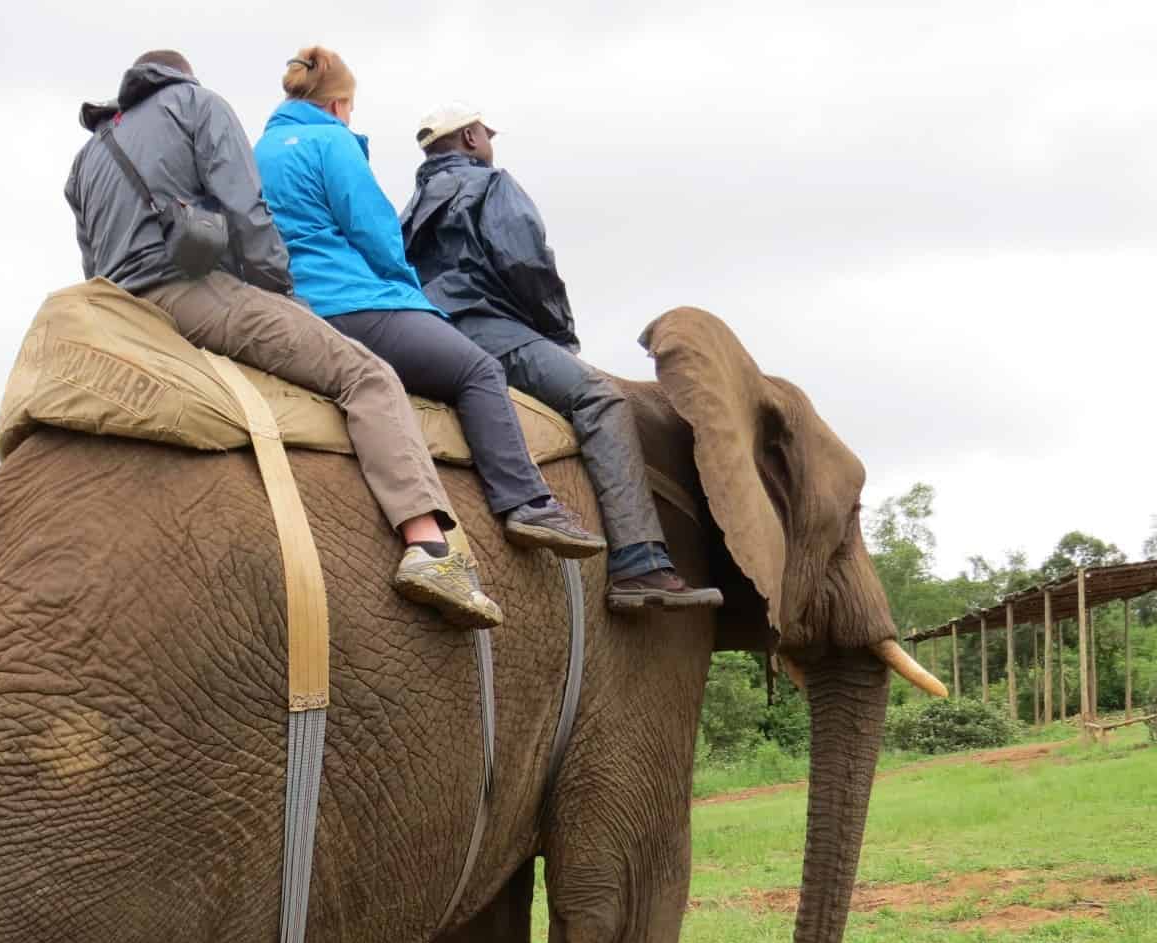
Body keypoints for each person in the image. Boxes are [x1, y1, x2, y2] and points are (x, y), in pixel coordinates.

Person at [64, 50, 502, 629]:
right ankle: (430, 548)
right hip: (192, 295)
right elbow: (246, 211)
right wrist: (279, 290)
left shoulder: (87, 156)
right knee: (366, 376)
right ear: (181, 78)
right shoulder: (197, 104)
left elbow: (92, 260)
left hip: (125, 313)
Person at [253, 47, 605, 563]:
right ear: (337, 105)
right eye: (351, 109)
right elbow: (375, 235)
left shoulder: (258, 150)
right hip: (353, 304)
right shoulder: (333, 142)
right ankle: (527, 502)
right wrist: (411, 296)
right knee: (478, 370)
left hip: (289, 313)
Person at [401, 104, 723, 611]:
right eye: (486, 134)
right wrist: (557, 333)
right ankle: (639, 563)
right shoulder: (491, 185)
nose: (490, 143)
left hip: (429, 335)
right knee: (600, 398)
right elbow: (528, 262)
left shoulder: (411, 208)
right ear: (469, 138)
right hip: (488, 331)